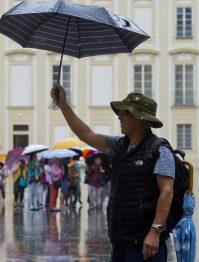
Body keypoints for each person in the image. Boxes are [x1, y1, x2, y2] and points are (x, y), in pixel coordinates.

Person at [51, 84, 175, 262]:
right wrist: (62, 104)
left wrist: (155, 232)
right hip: (120, 240)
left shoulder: (159, 150)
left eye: (125, 112)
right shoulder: (118, 146)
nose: (119, 116)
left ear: (140, 119)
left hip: (146, 244)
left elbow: (167, 192)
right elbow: (85, 133)